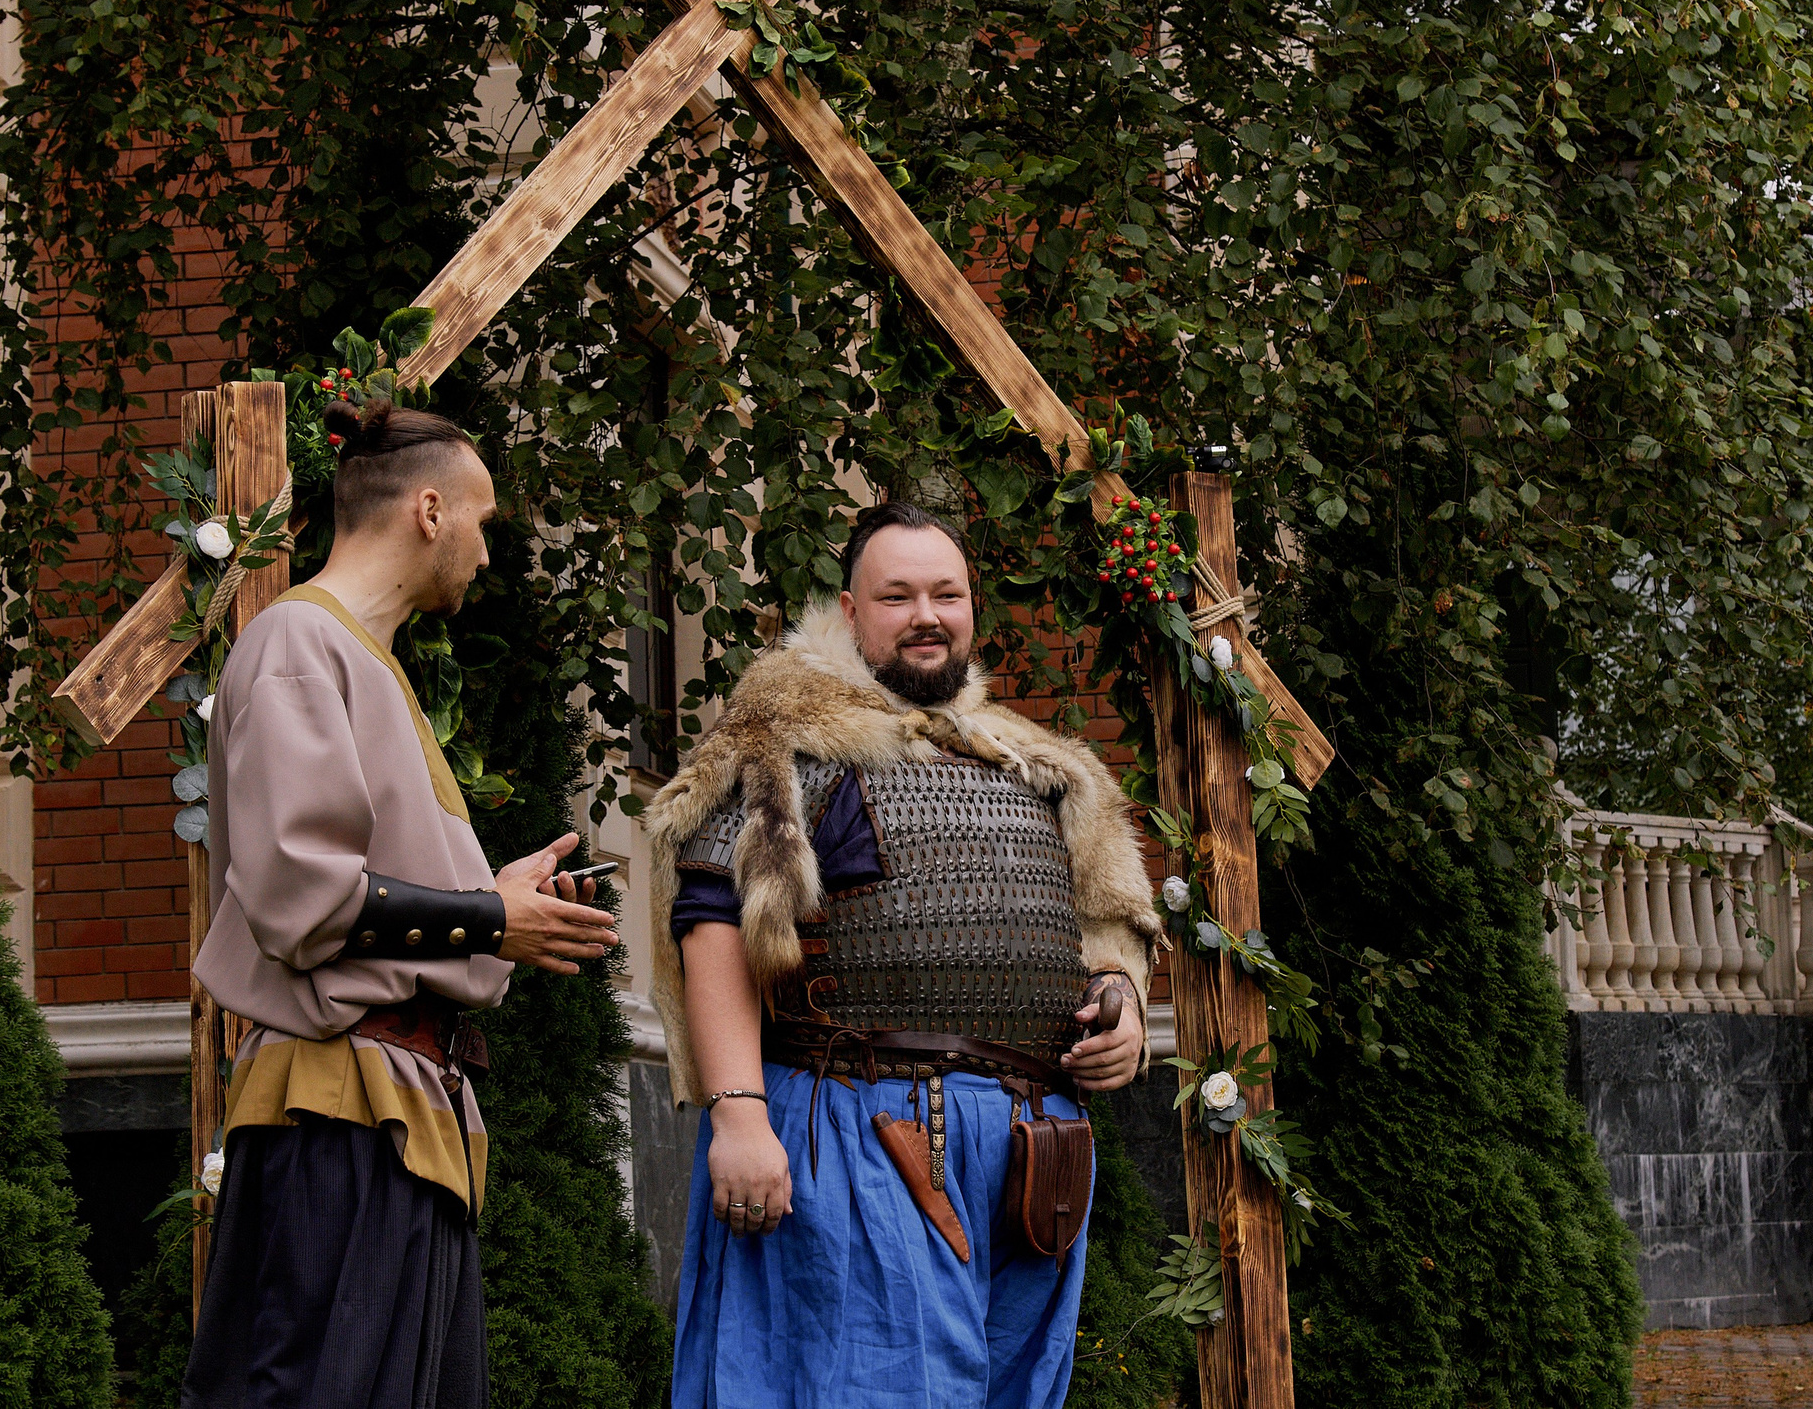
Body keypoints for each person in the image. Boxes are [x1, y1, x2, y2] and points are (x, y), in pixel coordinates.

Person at [646, 500, 1164, 1409]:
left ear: (972, 610)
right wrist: (737, 1112)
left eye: (947, 594)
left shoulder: (1032, 764)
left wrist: (1119, 1004)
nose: (927, 614)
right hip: (857, 1131)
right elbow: (713, 915)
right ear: (850, 613)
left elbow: (1110, 922)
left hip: (1030, 1161)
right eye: (898, 595)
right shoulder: (789, 740)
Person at [182, 398, 619, 1409]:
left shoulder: (359, 662)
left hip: (396, 1114)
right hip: (339, 1115)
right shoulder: (299, 644)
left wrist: (494, 900)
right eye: (483, 519)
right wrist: (487, 920)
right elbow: (301, 898)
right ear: (429, 509)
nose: (485, 548)